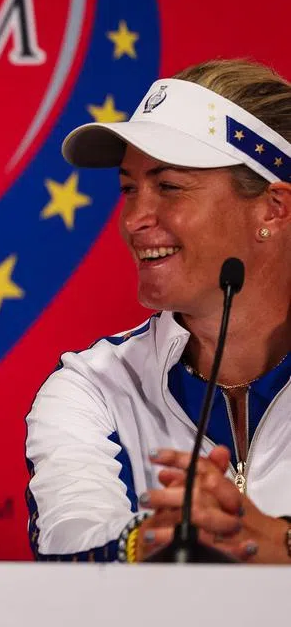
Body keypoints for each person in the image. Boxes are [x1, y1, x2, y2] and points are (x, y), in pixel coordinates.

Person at [26, 59, 291, 563]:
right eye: (129, 188)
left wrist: (277, 542)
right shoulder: (94, 385)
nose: (134, 220)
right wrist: (163, 539)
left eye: (168, 186)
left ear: (272, 209)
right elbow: (68, 544)